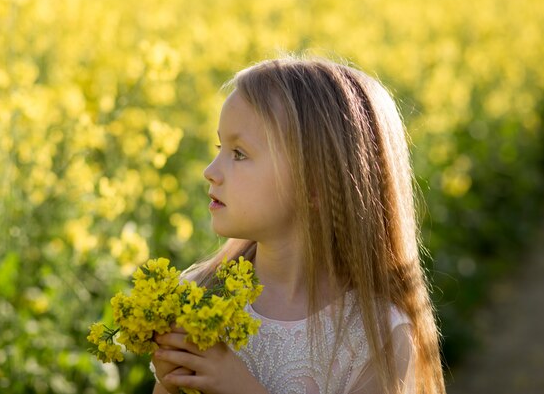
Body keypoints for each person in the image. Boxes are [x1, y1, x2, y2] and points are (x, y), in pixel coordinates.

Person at [150, 56, 446, 394]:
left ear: (315, 185)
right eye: (220, 147)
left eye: (239, 153)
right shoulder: (198, 294)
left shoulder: (375, 335)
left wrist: (238, 388)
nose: (211, 170)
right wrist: (171, 384)